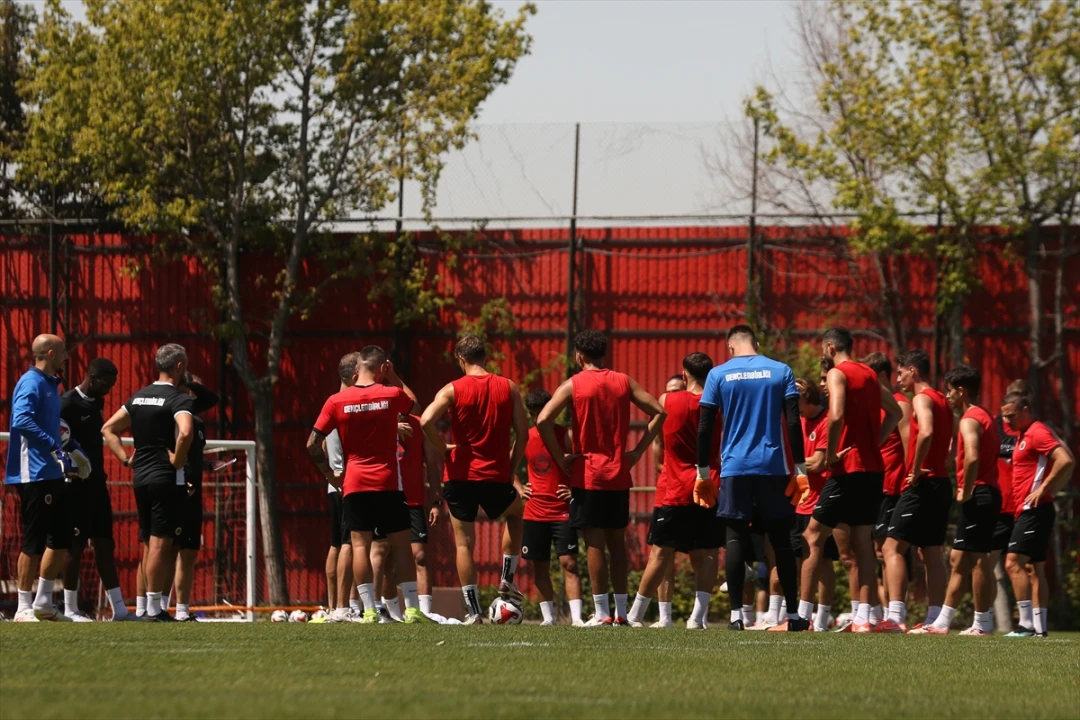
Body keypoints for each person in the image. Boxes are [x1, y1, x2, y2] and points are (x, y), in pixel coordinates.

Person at [537, 329, 666, 626]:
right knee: (617, 543)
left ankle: (603, 612)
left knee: (594, 544)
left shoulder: (574, 384)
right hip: (618, 473)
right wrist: (635, 453)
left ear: (579, 356)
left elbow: (543, 419)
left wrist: (560, 458)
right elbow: (659, 411)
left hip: (588, 475)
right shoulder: (623, 381)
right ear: (604, 353)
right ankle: (622, 612)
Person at [695, 325, 809, 632]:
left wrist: (703, 472)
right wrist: (800, 467)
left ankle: (736, 616)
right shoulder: (780, 370)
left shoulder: (718, 375)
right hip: (773, 466)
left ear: (730, 347)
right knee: (782, 541)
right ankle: (794, 615)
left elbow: (705, 426)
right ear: (756, 344)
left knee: (734, 538)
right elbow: (793, 422)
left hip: (734, 467)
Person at [307, 345, 432, 624]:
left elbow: (312, 443)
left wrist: (329, 474)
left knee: (359, 546)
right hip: (388, 481)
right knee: (401, 545)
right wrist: (394, 378)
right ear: (381, 367)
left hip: (354, 482)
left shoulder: (336, 401)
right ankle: (412, 610)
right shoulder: (390, 394)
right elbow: (418, 409)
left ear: (356, 369)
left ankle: (369, 611)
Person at [420, 335, 529, 624]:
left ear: (461, 359)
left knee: (464, 544)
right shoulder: (509, 387)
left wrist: (442, 448)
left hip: (459, 475)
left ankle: (474, 613)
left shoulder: (453, 389)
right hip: (495, 475)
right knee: (517, 514)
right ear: (486, 356)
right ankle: (506, 579)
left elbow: (425, 420)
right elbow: (524, 434)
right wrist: (511, 467)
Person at [802, 328, 902, 634]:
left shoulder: (838, 373)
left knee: (812, 537)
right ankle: (863, 619)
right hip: (873, 468)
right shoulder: (871, 375)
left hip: (848, 469)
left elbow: (835, 415)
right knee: (862, 542)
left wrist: (831, 453)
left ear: (831, 348)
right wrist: (874, 441)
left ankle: (801, 618)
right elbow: (895, 412)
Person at [627, 353, 722, 629]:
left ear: (684, 375)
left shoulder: (667, 400)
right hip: (708, 485)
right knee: (707, 553)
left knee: (659, 553)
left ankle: (634, 614)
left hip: (675, 487)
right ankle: (697, 618)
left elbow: (657, 434)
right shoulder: (718, 405)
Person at [102, 343, 195, 622]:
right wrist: (178, 461)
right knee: (160, 544)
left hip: (140, 476)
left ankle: (146, 606)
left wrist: (125, 459)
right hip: (164, 478)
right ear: (179, 367)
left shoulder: (139, 397)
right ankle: (154, 608)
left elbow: (107, 428)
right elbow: (186, 432)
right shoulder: (178, 399)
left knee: (148, 543)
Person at [911, 364, 1001, 635]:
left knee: (976, 560)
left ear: (961, 391)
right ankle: (942, 623)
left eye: (950, 391)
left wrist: (968, 489)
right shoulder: (983, 415)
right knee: (958, 559)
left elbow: (972, 456)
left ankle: (982, 623)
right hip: (984, 492)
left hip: (980, 493)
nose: (947, 396)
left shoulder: (970, 418)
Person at [5, 334, 85, 622]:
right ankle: (22, 607)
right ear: (50, 353)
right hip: (33, 474)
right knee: (33, 541)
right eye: (63, 351)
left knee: (61, 538)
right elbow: (21, 420)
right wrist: (53, 446)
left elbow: (55, 429)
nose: (66, 356)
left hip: (52, 472)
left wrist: (72, 451)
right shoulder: (31, 383)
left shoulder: (51, 385)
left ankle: (42, 603)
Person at [877, 348, 954, 633]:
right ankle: (935, 620)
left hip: (922, 482)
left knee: (890, 546)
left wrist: (918, 466)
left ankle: (895, 617)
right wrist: (945, 459)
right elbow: (952, 436)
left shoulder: (922, 397)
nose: (897, 378)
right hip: (941, 482)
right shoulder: (944, 400)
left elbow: (928, 431)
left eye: (900, 372)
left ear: (913, 371)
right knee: (931, 552)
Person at [59, 357, 133, 622]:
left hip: (97, 485)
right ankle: (70, 609)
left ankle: (120, 610)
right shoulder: (67, 403)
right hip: (75, 487)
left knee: (105, 545)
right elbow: (56, 440)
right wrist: (68, 468)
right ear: (92, 377)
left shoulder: (97, 402)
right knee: (74, 546)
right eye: (106, 383)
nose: (109, 390)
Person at [1000, 391, 1074, 638]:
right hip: (1028, 510)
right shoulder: (1022, 434)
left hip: (1034, 510)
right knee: (1035, 568)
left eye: (1011, 416)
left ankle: (1025, 625)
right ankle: (1040, 629)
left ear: (1025, 410)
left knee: (1013, 563)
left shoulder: (1037, 431)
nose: (1007, 422)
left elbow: (1065, 459)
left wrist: (1044, 488)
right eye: (1004, 417)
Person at [521, 389, 584, 627]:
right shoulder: (525, 437)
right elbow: (507, 465)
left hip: (562, 511)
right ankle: (549, 618)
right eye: (535, 413)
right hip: (534, 512)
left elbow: (582, 465)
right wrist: (519, 488)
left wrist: (575, 492)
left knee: (570, 563)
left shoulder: (565, 435)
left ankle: (577, 618)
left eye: (545, 411)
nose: (540, 416)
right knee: (540, 565)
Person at [863, 351, 911, 627]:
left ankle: (896, 615)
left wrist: (908, 481)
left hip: (893, 487)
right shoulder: (879, 404)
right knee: (880, 552)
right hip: (877, 487)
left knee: (889, 550)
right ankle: (882, 615)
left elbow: (908, 446)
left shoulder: (900, 405)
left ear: (880, 376)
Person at [790, 376, 838, 632]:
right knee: (800, 560)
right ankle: (799, 615)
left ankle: (819, 618)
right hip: (800, 501)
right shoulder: (797, 420)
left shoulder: (826, 421)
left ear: (806, 396)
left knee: (825, 561)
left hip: (821, 501)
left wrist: (789, 463)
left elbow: (819, 463)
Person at [170, 374, 219, 622]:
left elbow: (212, 398)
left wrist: (208, 465)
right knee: (163, 549)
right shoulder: (170, 415)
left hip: (194, 491)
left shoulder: (196, 422)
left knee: (189, 552)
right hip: (176, 489)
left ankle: (181, 610)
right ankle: (152, 605)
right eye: (193, 387)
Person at [650, 374, 688, 626]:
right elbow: (657, 460)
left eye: (678, 391)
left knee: (702, 552)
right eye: (668, 391)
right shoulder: (662, 420)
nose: (672, 396)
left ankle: (700, 615)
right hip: (667, 491)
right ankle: (665, 617)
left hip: (694, 489)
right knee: (663, 554)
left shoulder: (697, 413)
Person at [993, 379, 1028, 633]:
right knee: (982, 563)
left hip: (1024, 507)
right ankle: (981, 622)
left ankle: (1033, 623)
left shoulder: (1036, 430)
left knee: (1027, 567)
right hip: (997, 506)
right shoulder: (994, 426)